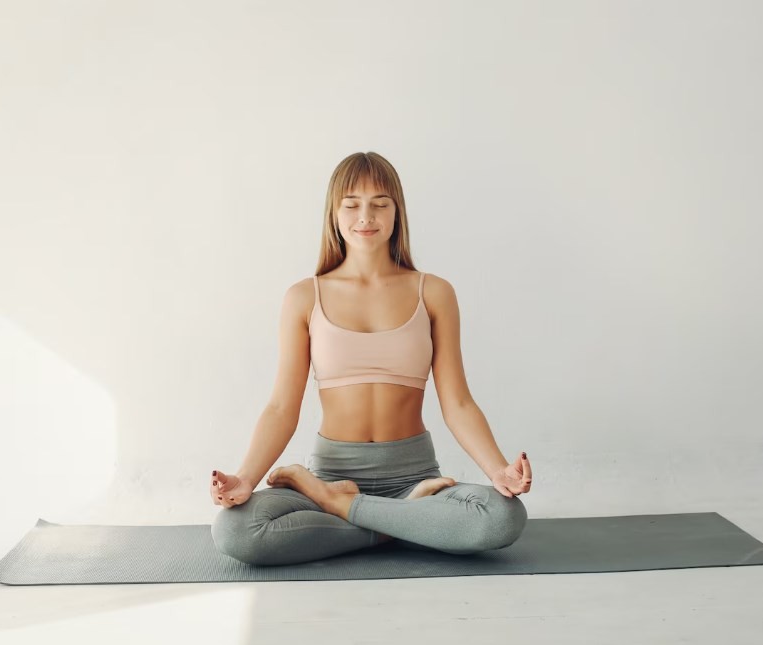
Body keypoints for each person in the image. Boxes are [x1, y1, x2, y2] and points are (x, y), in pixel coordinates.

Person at [209, 151, 532, 566]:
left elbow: (458, 403)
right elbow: (280, 407)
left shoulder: (433, 292)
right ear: (334, 213)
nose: (366, 215)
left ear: (397, 212)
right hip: (332, 470)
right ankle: (404, 523)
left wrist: (498, 470)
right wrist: (246, 478)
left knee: (503, 518)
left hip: (414, 476)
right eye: (352, 204)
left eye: (380, 203)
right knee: (235, 530)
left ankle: (338, 506)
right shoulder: (304, 297)